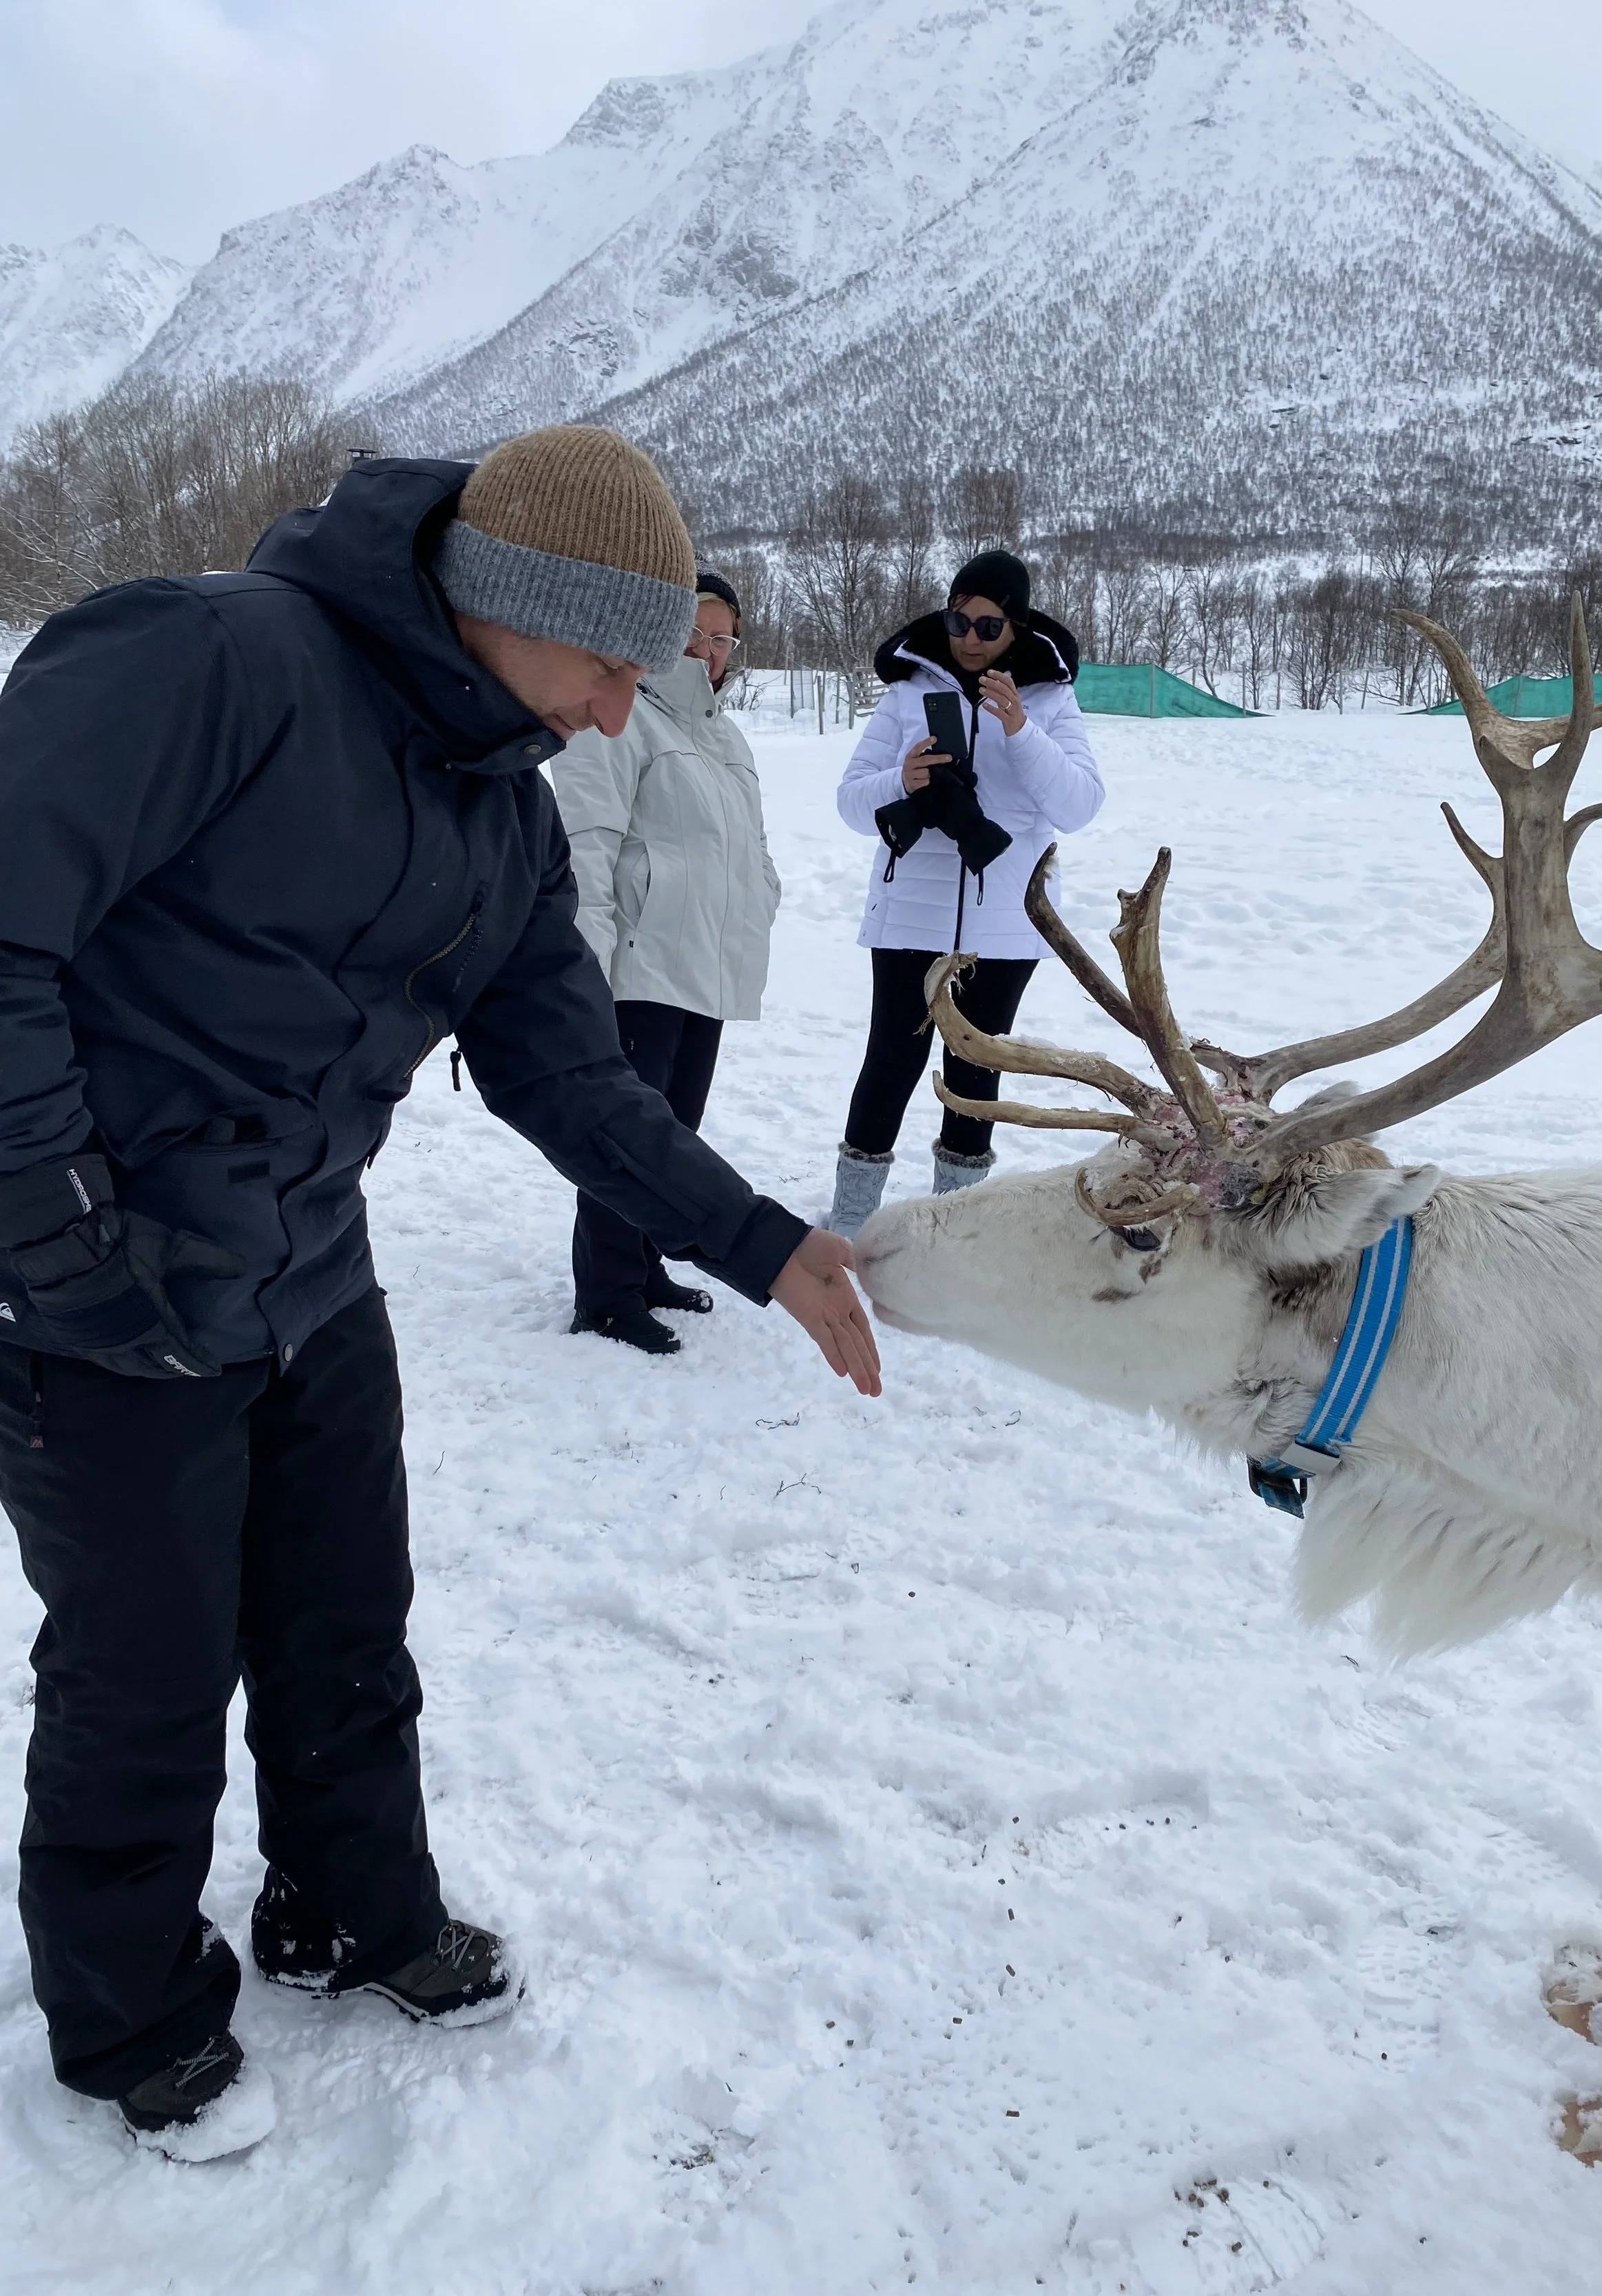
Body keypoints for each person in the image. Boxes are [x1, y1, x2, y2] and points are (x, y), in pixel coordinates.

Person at [0, 426, 879, 2158]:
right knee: (147, 1675)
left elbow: (574, 1074)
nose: (625, 712)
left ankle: (350, 1914)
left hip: (308, 1274)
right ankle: (131, 2021)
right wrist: (59, 1237)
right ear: (505, 604)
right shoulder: (208, 659)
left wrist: (760, 1240)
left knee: (343, 1628)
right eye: (610, 666)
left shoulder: (498, 806)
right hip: (95, 1295)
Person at [827, 549, 1103, 1234]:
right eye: (959, 620)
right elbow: (849, 804)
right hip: (908, 917)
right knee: (890, 1061)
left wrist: (1020, 730)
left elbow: (1080, 805)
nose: (969, 637)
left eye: (988, 626)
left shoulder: (1049, 698)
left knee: (976, 1068)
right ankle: (852, 1221)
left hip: (1006, 924)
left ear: (1017, 627)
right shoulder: (906, 692)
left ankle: (954, 1225)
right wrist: (903, 780)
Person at [553, 568, 779, 1354]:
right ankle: (606, 1294)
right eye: (693, 631)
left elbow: (747, 849)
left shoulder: (724, 735)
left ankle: (644, 1267)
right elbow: (588, 843)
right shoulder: (618, 719)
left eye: (722, 637)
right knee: (624, 1135)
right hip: (637, 967)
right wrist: (590, 968)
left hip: (704, 968)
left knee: (674, 1130)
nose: (707, 650)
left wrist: (763, 904)